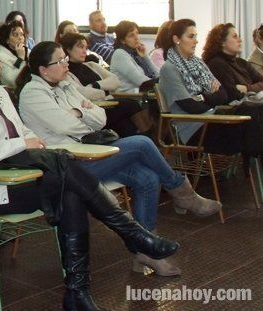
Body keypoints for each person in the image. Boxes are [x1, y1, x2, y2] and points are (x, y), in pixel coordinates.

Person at [0, 38, 180, 310]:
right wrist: (21, 144)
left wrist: (28, 141)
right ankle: (130, 236)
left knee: (70, 191)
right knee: (70, 179)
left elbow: (23, 132)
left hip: (22, 175)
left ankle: (79, 292)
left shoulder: (0, 95)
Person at [18, 40, 223, 278]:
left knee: (147, 176)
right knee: (142, 143)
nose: (66, 64)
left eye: (65, 58)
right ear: (43, 70)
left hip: (92, 153)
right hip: (69, 166)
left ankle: (144, 253)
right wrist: (83, 113)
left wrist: (80, 112)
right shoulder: (32, 93)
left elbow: (101, 117)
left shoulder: (65, 86)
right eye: (60, 61)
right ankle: (182, 193)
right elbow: (65, 125)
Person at [61, 33, 152, 136]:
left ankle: (143, 140)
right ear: (68, 49)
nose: (84, 51)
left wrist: (95, 85)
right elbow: (83, 93)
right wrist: (106, 90)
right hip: (94, 111)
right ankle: (149, 137)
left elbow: (116, 81)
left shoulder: (92, 65)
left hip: (109, 104)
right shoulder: (66, 73)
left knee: (124, 123)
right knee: (130, 104)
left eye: (86, 47)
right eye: (80, 47)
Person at [157, 19, 229, 144]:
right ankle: (248, 163)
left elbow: (223, 95)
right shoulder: (169, 68)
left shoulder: (199, 63)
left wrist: (202, 98)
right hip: (194, 128)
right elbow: (190, 106)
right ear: (176, 39)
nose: (196, 41)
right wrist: (212, 96)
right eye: (191, 37)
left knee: (252, 114)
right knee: (249, 122)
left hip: (211, 118)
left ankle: (248, 163)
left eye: (196, 36)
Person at [203, 23, 263, 101]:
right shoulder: (217, 64)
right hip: (235, 110)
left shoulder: (242, 63)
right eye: (235, 36)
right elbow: (233, 95)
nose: (240, 40)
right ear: (222, 42)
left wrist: (247, 88)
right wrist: (253, 89)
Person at [110, 20, 158, 93]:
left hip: (144, 95)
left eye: (137, 33)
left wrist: (145, 57)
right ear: (123, 40)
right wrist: (163, 83)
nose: (136, 38)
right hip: (131, 98)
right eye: (131, 35)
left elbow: (159, 74)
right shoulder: (119, 54)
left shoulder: (136, 54)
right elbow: (140, 81)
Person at [0, 20, 28, 89]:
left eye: (22, 34)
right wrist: (20, 58)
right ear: (7, 39)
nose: (20, 38)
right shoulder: (0, 56)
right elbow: (11, 81)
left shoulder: (27, 52)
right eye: (15, 35)